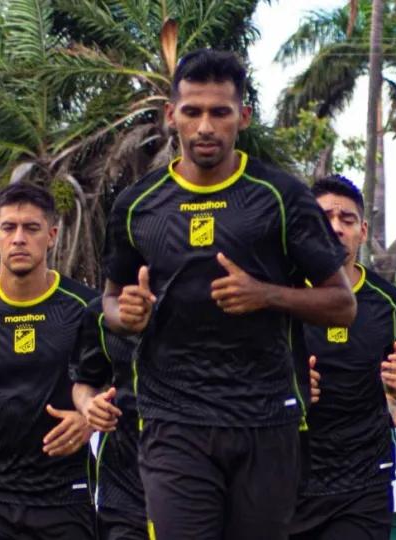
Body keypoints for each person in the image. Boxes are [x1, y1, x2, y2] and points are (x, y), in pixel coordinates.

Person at [99, 48, 356, 540]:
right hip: (173, 418)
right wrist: (125, 312)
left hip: (266, 418)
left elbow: (342, 306)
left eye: (220, 112)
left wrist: (267, 294)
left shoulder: (281, 197)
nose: (205, 127)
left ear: (243, 116)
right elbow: (110, 300)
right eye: (192, 112)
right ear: (171, 115)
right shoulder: (137, 205)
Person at [0, 183, 97, 539]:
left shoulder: (88, 309)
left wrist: (91, 419)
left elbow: (125, 384)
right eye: (9, 228)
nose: (19, 238)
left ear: (52, 235)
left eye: (32, 228)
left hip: (65, 492)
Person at [291, 175, 396, 540]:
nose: (336, 228)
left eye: (347, 219)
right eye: (324, 218)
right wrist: (289, 386)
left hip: (365, 479)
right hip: (291, 476)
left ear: (362, 231)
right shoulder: (283, 294)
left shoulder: (388, 302)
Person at [71, 298, 145, 540]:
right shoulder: (102, 312)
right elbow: (84, 384)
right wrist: (89, 405)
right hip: (124, 487)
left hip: (202, 476)